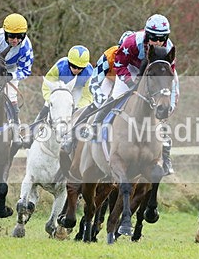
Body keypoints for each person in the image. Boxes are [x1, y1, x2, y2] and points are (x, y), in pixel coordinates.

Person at [110, 14, 178, 174]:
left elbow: (169, 75)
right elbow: (119, 63)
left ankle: (166, 156)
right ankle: (98, 128)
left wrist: (166, 105)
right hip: (130, 70)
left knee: (163, 110)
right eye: (154, 38)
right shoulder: (132, 42)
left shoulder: (168, 48)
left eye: (162, 38)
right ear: (147, 35)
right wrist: (131, 82)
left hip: (155, 75)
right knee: (115, 100)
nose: (158, 42)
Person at [0, 13, 34, 127]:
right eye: (11, 36)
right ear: (5, 33)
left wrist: (11, 75)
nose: (15, 40)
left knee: (11, 96)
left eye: (20, 36)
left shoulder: (26, 47)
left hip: (11, 70)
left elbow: (26, 70)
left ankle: (15, 128)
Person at [35, 45, 94, 123]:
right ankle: (34, 128)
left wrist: (77, 109)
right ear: (69, 62)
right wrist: (50, 100)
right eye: (73, 66)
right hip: (60, 87)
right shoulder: (60, 66)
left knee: (79, 113)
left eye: (80, 68)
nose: (76, 70)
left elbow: (87, 96)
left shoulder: (89, 73)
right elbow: (47, 84)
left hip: (78, 89)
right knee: (47, 106)